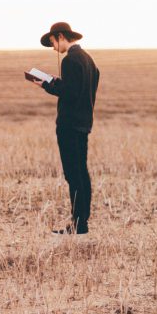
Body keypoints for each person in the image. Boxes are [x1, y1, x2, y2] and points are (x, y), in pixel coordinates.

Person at [30, 22, 100, 235]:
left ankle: (78, 224)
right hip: (84, 123)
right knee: (82, 172)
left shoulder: (70, 60)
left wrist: (46, 85)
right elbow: (82, 90)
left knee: (73, 174)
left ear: (60, 36)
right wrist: (58, 84)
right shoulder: (88, 60)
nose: (53, 47)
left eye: (52, 42)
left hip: (69, 124)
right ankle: (82, 222)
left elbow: (69, 94)